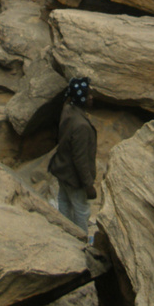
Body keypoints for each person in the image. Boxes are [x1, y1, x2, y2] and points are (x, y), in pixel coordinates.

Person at [48, 76, 98, 233]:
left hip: (61, 169)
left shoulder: (67, 110)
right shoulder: (81, 126)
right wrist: (88, 185)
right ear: (80, 98)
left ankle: (65, 232)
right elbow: (80, 159)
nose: (91, 97)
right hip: (74, 177)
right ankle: (81, 240)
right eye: (88, 95)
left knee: (63, 201)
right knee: (81, 210)